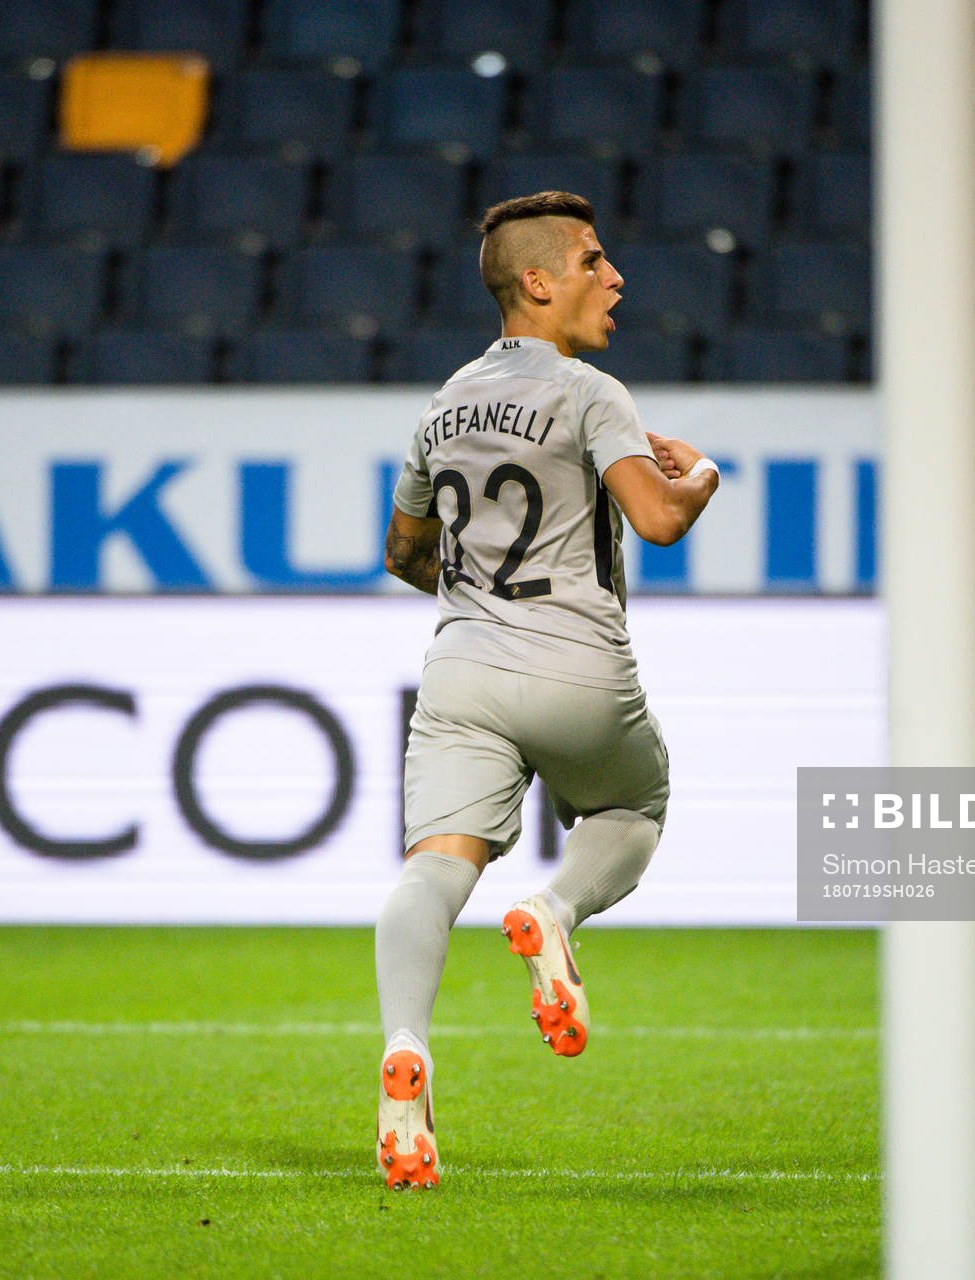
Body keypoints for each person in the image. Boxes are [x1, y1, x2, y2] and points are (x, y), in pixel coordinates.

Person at [374, 191, 721, 1190]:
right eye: (594, 261)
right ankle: (558, 908)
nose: (615, 278)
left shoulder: (442, 403)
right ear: (539, 281)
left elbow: (403, 553)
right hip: (577, 667)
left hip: (464, 671)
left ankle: (407, 1049)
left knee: (432, 871)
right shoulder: (589, 389)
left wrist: (478, 586)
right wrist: (700, 475)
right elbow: (656, 519)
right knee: (633, 805)